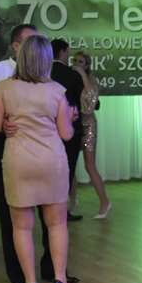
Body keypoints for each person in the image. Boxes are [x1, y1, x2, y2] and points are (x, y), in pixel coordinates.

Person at [0, 25, 78, 283]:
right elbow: (66, 134)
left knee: (21, 227)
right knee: (56, 224)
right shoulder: (56, 90)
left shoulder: (5, 88)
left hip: (18, 162)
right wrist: (69, 117)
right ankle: (59, 279)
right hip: (51, 161)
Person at [71, 51, 111, 219]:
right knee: (70, 165)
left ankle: (105, 202)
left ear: (87, 65)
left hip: (88, 126)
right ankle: (72, 201)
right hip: (72, 125)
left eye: (81, 61)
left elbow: (90, 105)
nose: (77, 63)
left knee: (89, 166)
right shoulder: (70, 78)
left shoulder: (91, 80)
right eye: (75, 60)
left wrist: (82, 75)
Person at [50, 39, 85, 222]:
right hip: (70, 128)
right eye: (68, 52)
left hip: (49, 129)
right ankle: (62, 211)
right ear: (63, 52)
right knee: (68, 171)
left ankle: (49, 209)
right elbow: (84, 102)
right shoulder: (72, 75)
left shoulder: (44, 72)